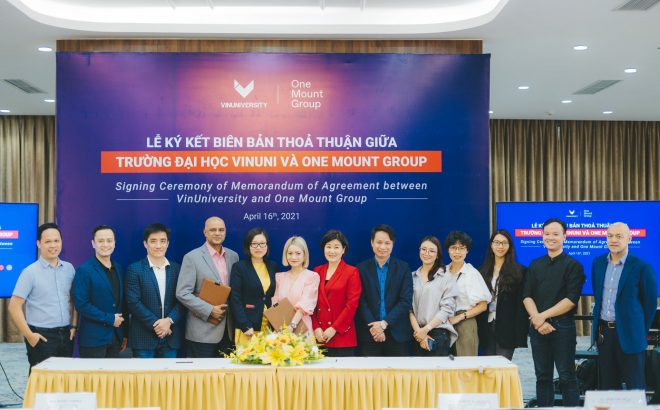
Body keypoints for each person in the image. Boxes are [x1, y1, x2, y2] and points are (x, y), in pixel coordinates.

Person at [523, 218, 585, 407]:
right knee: (542, 377)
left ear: (564, 237)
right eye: (547, 233)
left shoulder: (573, 265)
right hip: (538, 329)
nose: (550, 237)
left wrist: (541, 317)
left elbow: (570, 300)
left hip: (562, 328)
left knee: (567, 376)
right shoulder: (535, 264)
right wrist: (538, 321)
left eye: (556, 234)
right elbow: (527, 296)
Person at [591, 222, 657, 390]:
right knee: (607, 387)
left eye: (619, 236)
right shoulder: (598, 264)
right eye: (610, 236)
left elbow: (649, 305)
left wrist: (639, 332)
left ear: (629, 238)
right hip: (605, 335)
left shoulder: (642, 267)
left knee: (635, 386)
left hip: (631, 335)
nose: (613, 240)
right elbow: (598, 296)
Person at [8, 223, 76, 367]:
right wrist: (29, 336)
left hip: (65, 335)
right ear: (39, 244)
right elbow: (14, 306)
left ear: (61, 242)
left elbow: (73, 300)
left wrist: (74, 326)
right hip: (41, 336)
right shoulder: (29, 272)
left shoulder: (69, 269)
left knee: (64, 377)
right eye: (48, 241)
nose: (53, 245)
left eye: (56, 241)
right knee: (41, 379)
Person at [176, 216, 239, 357]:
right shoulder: (192, 257)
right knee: (201, 372)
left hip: (228, 331)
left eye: (221, 230)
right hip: (202, 331)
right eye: (213, 230)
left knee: (226, 371)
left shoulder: (233, 256)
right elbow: (182, 293)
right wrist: (209, 310)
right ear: (205, 232)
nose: (217, 233)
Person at [126, 223, 184, 358]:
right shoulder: (134, 269)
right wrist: (158, 325)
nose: (158, 246)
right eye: (153, 241)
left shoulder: (177, 269)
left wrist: (168, 321)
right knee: (143, 373)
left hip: (170, 336)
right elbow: (133, 302)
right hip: (143, 338)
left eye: (162, 241)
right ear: (145, 244)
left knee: (169, 373)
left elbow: (183, 299)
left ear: (168, 243)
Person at [356, 224, 413, 356]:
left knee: (397, 370)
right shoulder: (361, 268)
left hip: (397, 334)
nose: (383, 247)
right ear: (372, 243)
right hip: (370, 334)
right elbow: (361, 301)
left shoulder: (403, 268)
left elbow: (405, 301)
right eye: (379, 242)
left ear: (392, 244)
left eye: (387, 243)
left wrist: (384, 324)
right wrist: (375, 327)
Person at [72, 225, 128, 358]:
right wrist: (110, 319)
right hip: (93, 340)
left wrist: (124, 334)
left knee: (113, 373)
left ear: (114, 243)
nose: (105, 244)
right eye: (101, 241)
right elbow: (81, 304)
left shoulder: (118, 268)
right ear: (93, 243)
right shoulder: (84, 270)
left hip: (116, 338)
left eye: (109, 240)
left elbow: (122, 304)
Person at [477, 229, 527, 360]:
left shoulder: (519, 271)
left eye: (504, 243)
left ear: (509, 246)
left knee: (503, 365)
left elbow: (520, 304)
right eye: (497, 242)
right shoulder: (481, 271)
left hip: (507, 327)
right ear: (491, 245)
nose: (500, 246)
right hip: (486, 325)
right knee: (489, 366)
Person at [311, 230, 362, 356]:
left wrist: (334, 328)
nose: (332, 251)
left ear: (343, 249)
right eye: (328, 247)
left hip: (342, 336)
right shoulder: (317, 271)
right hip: (320, 336)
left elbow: (352, 305)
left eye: (336, 247)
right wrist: (316, 327)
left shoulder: (351, 272)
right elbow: (311, 303)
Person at [409, 236, 458, 357]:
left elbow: (447, 309)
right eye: (423, 249)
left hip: (438, 333)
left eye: (431, 251)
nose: (427, 253)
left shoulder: (446, 277)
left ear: (437, 255)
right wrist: (419, 332)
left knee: (437, 370)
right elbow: (408, 308)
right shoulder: (412, 277)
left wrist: (426, 330)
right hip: (416, 334)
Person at [444, 230, 491, 356]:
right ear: (448, 250)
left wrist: (460, 317)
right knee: (444, 363)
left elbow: (483, 305)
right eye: (453, 248)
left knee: (466, 362)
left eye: (461, 248)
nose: (457, 252)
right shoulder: (442, 271)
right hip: (443, 321)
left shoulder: (472, 273)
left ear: (467, 251)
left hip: (465, 321)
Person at [229, 228, 278, 345]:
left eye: (262, 243)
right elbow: (235, 298)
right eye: (254, 244)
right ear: (248, 246)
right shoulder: (239, 267)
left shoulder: (272, 266)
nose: (258, 247)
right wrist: (244, 325)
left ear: (267, 245)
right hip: (248, 327)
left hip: (269, 326)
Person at [272, 236, 320, 337]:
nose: (293, 257)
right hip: (281, 329)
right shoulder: (279, 277)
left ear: (304, 255)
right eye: (290, 253)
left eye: (298, 253)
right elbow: (275, 304)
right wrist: (280, 327)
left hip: (302, 328)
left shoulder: (312, 277)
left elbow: (305, 304)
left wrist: (292, 326)